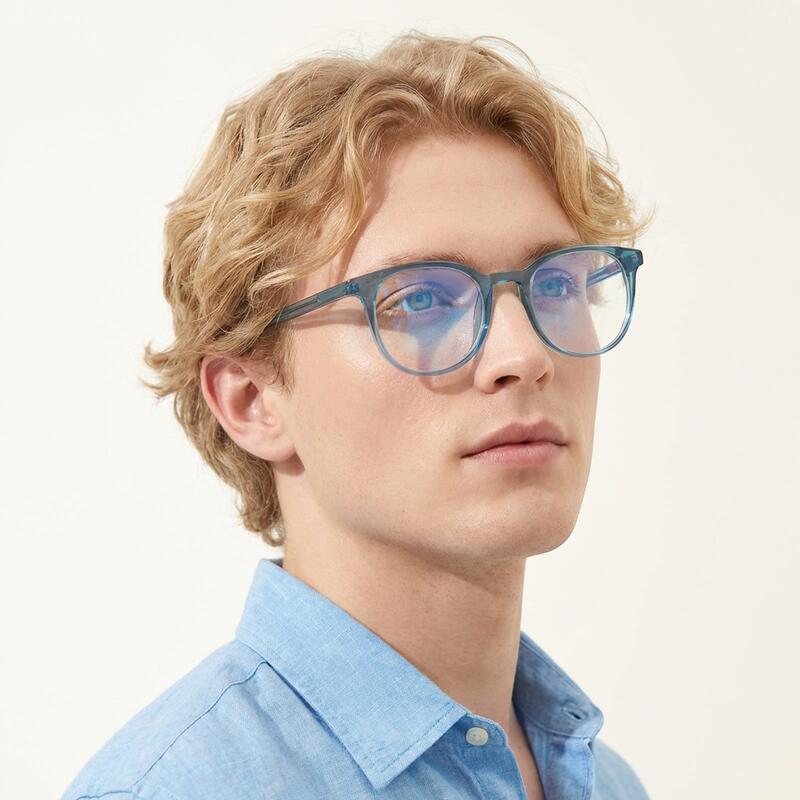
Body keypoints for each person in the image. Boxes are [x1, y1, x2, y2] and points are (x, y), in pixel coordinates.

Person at [61, 30, 655, 800]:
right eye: (421, 298)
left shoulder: (609, 784)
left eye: (556, 285)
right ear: (252, 401)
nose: (524, 352)